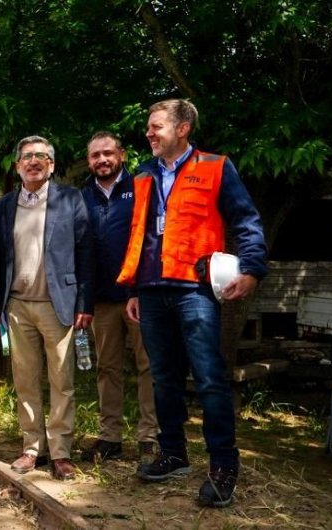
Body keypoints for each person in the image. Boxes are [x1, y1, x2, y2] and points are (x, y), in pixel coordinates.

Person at [118, 99, 268, 508]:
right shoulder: (143, 174)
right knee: (163, 378)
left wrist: (252, 269)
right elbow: (139, 234)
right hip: (151, 289)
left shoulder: (217, 167)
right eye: (149, 127)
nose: (148, 133)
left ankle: (223, 466)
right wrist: (134, 289)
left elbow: (247, 221)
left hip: (194, 289)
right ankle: (173, 454)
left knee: (209, 378)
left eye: (156, 126)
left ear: (182, 128)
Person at [0, 135, 94, 481]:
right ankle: (32, 447)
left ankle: (61, 451)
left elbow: (85, 253)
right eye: (27, 156)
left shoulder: (71, 198)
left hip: (58, 305)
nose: (33, 161)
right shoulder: (5, 205)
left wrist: (84, 303)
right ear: (18, 165)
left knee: (62, 380)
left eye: (41, 156)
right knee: (25, 380)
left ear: (51, 164)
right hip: (17, 305)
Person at [81, 131, 159, 463]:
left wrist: (141, 288)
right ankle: (110, 436)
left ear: (121, 155)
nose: (102, 160)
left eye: (108, 153)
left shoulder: (141, 187)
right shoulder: (83, 196)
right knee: (107, 368)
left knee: (148, 366)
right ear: (89, 161)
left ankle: (149, 437)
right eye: (95, 155)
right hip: (102, 299)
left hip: (139, 296)